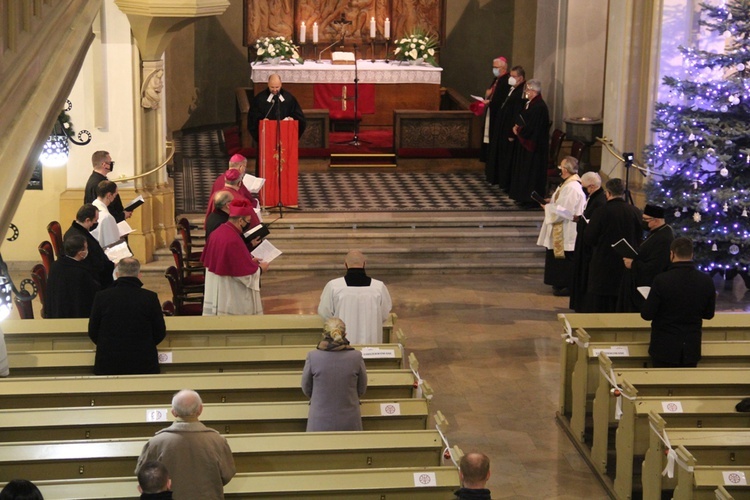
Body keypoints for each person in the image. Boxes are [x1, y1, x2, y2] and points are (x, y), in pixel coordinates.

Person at [135, 390, 236, 499]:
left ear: (173, 412)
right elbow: (227, 475)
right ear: (200, 410)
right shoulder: (218, 441)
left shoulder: (156, 443)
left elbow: (144, 478)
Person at [641, 237, 716, 368]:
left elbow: (647, 314)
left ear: (672, 254)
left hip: (664, 346)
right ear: (692, 255)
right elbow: (709, 314)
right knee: (687, 387)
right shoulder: (706, 280)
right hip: (690, 347)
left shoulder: (661, 280)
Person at [88, 258, 166, 375]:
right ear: (139, 275)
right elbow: (160, 331)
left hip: (108, 362)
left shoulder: (102, 297)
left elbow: (93, 330)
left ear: (118, 274)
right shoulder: (150, 297)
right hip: (143, 362)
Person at [583, 178, 643, 312]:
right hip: (625, 266)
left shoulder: (601, 212)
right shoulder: (635, 211)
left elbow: (589, 237)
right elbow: (640, 237)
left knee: (601, 307)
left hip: (603, 265)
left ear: (608, 193)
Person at [201, 198, 269, 316]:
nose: (248, 223)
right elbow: (244, 276)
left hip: (218, 289)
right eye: (248, 220)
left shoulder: (219, 232)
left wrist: (249, 261)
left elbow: (232, 261)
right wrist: (261, 269)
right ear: (240, 221)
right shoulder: (232, 239)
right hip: (231, 297)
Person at [301, 317, 368, 432]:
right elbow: (361, 388)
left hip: (319, 419)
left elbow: (306, 388)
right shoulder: (356, 356)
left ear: (324, 335)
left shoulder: (313, 356)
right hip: (349, 419)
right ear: (345, 334)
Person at [318, 250, 392, 344]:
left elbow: (325, 313)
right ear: (364, 264)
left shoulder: (334, 286)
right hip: (371, 342)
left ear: (345, 265)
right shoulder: (379, 287)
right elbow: (384, 314)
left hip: (342, 344)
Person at [536, 157, 585, 296]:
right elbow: (560, 202)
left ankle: (566, 285)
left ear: (566, 169)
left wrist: (547, 207)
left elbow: (565, 211)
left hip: (566, 227)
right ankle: (558, 283)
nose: (560, 169)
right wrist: (550, 201)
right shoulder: (567, 184)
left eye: (561, 167)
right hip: (561, 227)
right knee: (558, 258)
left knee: (565, 258)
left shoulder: (572, 187)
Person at [617, 204, 674, 312]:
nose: (643, 222)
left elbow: (656, 266)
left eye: (645, 219)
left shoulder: (664, 238)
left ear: (656, 220)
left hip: (647, 288)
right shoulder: (657, 232)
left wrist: (633, 264)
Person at [569, 172, 606, 312]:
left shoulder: (599, 201)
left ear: (591, 187)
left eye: (584, 187)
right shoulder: (594, 198)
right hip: (583, 243)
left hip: (588, 247)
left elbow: (595, 224)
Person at [510, 79, 549, 205]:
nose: (526, 92)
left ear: (533, 91)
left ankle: (530, 200)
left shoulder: (539, 107)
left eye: (528, 89)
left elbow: (533, 127)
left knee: (531, 173)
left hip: (534, 147)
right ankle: (522, 196)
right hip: (527, 145)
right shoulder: (531, 104)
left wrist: (519, 130)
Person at [45, 234, 100, 318]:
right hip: (74, 314)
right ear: (80, 253)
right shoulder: (81, 273)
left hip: (56, 311)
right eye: (86, 248)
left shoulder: (55, 265)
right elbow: (92, 295)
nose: (87, 250)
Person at [489, 65, 526, 191]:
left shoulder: (521, 92)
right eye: (510, 76)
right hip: (504, 127)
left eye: (513, 76)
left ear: (520, 78)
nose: (510, 78)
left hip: (510, 130)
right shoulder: (513, 88)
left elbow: (516, 113)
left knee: (507, 157)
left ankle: (506, 183)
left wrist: (511, 132)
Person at [64, 203, 115, 288]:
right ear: (87, 220)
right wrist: (111, 266)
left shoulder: (75, 230)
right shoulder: (79, 238)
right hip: (92, 280)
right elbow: (93, 263)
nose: (96, 223)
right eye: (95, 220)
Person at [248, 73, 306, 144]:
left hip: (285, 137)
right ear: (268, 85)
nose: (275, 90)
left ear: (281, 84)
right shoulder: (260, 99)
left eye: (277, 87)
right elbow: (253, 117)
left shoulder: (289, 98)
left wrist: (292, 119)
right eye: (272, 87)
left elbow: (299, 117)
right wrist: (261, 121)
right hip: (267, 138)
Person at [204, 154, 257, 223]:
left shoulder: (218, 180)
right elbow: (247, 203)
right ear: (241, 167)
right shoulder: (237, 181)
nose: (244, 170)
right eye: (244, 167)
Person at [480, 56, 510, 176]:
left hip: (498, 116)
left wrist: (490, 101)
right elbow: (492, 94)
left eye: (495, 67)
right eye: (493, 67)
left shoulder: (506, 81)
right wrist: (487, 96)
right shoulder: (496, 79)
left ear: (503, 68)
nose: (494, 69)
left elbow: (501, 99)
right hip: (491, 113)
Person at [84, 150, 131, 223]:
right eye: (110, 162)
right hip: (107, 223)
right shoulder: (99, 183)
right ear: (104, 165)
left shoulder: (95, 179)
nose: (112, 164)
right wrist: (122, 215)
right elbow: (107, 207)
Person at [91, 180, 122, 249]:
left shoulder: (91, 207)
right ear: (109, 195)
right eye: (115, 195)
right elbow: (112, 244)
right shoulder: (107, 217)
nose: (115, 198)